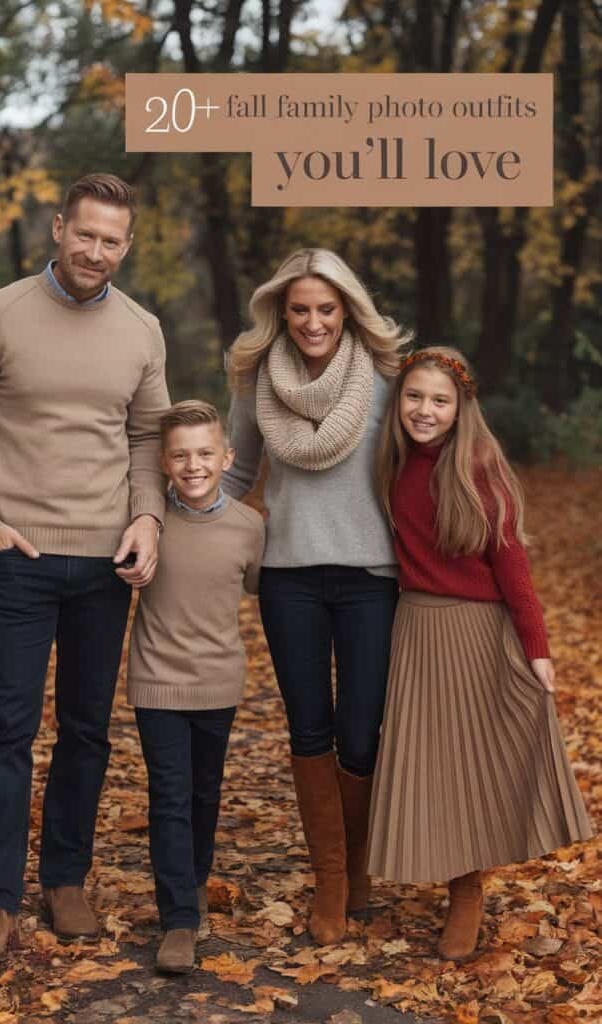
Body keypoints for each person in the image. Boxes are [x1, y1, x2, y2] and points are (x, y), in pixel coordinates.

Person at [0, 173, 171, 964]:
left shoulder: (142, 330)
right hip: (18, 562)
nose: (95, 251)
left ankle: (66, 879)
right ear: (59, 227)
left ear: (125, 247)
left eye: (111, 241)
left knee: (86, 731)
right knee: (7, 732)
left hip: (104, 564)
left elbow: (147, 438)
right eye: (85, 233)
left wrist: (146, 515)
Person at [367, 346, 592, 959]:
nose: (424, 410)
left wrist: (536, 648)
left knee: (476, 757)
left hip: (479, 631)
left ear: (462, 407)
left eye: (440, 400)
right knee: (432, 760)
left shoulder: (478, 471)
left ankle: (468, 889)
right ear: (399, 401)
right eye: (414, 396)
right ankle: (440, 870)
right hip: (415, 629)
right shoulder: (389, 463)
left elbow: (513, 567)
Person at [223, 248, 410, 944]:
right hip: (289, 576)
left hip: (371, 578)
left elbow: (425, 464)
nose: (311, 322)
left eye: (325, 309)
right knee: (309, 730)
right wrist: (183, 522)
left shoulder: (387, 379)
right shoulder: (255, 380)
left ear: (346, 310)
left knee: (360, 732)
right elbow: (236, 469)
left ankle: (358, 870)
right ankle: (329, 879)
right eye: (298, 309)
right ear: (280, 310)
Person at [127, 400, 264, 973]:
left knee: (205, 793)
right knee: (170, 795)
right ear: (163, 461)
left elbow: (258, 588)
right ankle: (179, 918)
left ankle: (195, 882)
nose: (193, 464)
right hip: (157, 681)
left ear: (227, 457)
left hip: (219, 681)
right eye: (180, 455)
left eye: (205, 452)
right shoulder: (146, 520)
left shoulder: (251, 527)